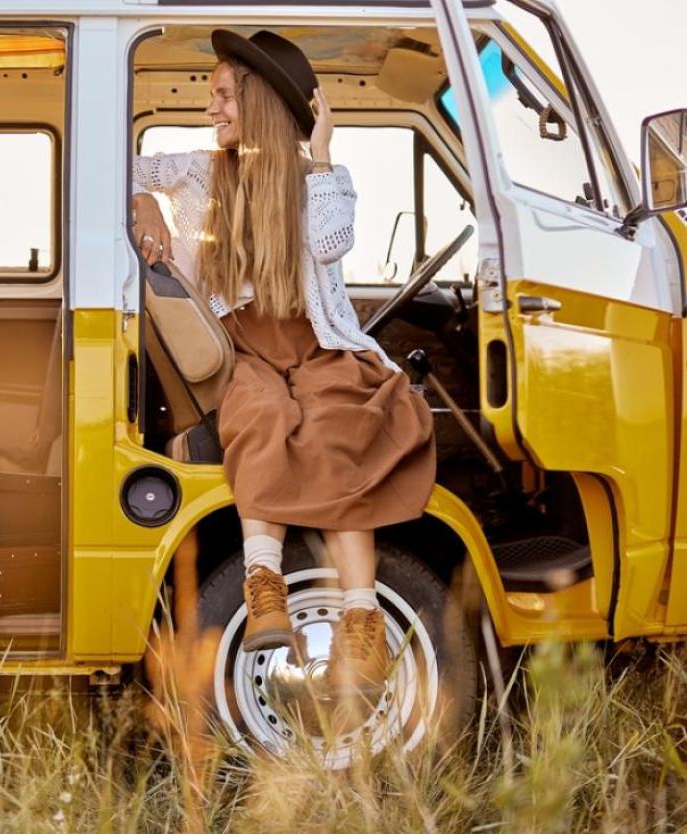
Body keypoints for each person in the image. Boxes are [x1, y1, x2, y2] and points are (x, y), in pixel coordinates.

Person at [131, 30, 435, 695]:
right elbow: (108, 167)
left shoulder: (322, 179)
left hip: (316, 343)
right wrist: (146, 198)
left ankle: (361, 626)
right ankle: (263, 586)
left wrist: (321, 153)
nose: (210, 107)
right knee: (261, 415)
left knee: (342, 427)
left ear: (261, 102)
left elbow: (331, 240)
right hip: (245, 346)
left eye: (222, 96)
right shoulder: (198, 170)